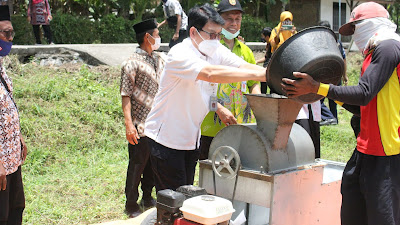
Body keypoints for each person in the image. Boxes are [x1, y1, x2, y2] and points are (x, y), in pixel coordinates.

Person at [281, 2, 400, 224]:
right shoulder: (374, 52)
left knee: (381, 216)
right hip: (366, 148)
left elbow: (364, 93)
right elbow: (363, 107)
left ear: (373, 23)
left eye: (356, 28)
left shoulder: (389, 47)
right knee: (353, 207)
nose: (355, 35)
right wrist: (325, 91)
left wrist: (319, 87)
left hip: (387, 152)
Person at [144, 3, 266, 192]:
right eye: (212, 34)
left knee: (185, 193)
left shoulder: (214, 50)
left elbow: (242, 66)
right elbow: (209, 74)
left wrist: (272, 75)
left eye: (219, 34)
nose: (216, 39)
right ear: (193, 32)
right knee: (173, 199)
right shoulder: (180, 54)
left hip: (191, 138)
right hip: (166, 138)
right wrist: (257, 76)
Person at [198, 0, 261, 160]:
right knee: (210, 168)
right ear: (218, 19)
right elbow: (200, 87)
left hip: (240, 123)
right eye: (229, 18)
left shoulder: (246, 51)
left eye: (237, 19)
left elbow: (255, 81)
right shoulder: (209, 49)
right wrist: (218, 109)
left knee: (237, 168)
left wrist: (257, 101)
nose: (234, 23)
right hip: (212, 123)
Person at [120, 18, 164, 218]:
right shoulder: (131, 63)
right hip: (139, 125)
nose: (158, 38)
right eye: (156, 34)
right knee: (137, 165)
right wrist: (129, 125)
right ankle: (131, 203)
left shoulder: (158, 59)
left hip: (157, 125)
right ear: (148, 37)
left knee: (153, 166)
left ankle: (147, 197)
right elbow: (126, 95)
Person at [0, 5, 28, 225]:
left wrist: (17, 137)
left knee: (15, 209)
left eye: (12, 33)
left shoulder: (1, 67)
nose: (10, 38)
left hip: (12, 157)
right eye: (6, 33)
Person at [318, 20, 348, 126]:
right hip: (336, 74)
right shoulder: (337, 42)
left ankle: (328, 118)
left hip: (325, 75)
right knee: (333, 97)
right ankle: (333, 118)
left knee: (319, 99)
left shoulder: (320, 43)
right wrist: (344, 75)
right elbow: (343, 59)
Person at [256, 27, 272, 93]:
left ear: (267, 36)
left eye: (263, 36)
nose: (263, 38)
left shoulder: (273, 45)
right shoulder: (268, 45)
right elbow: (266, 57)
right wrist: (256, 61)